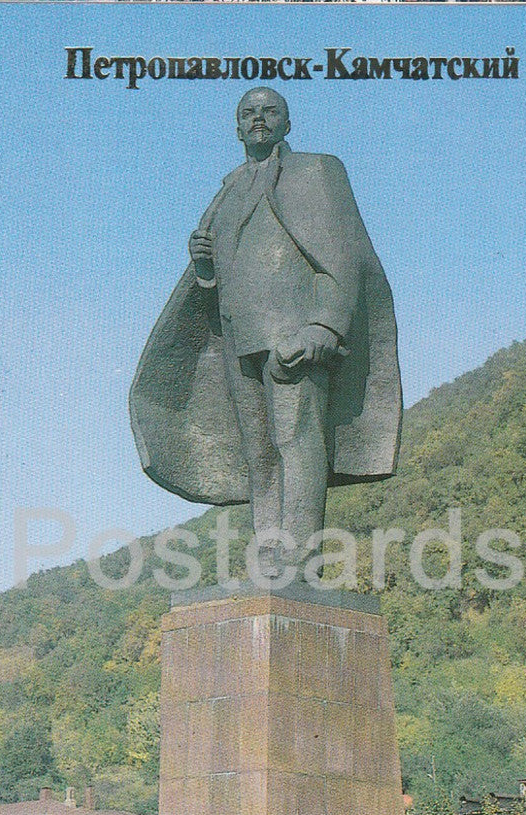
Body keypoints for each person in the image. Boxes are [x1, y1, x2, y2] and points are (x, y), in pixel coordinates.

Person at [130, 88, 402, 579]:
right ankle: (269, 554)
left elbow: (344, 253)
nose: (259, 118)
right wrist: (204, 265)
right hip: (240, 338)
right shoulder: (229, 189)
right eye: (248, 113)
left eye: (269, 111)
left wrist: (326, 324)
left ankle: (301, 558)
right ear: (237, 128)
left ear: (287, 123)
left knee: (297, 440)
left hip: (295, 335)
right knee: (257, 452)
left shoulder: (317, 171)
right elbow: (223, 273)